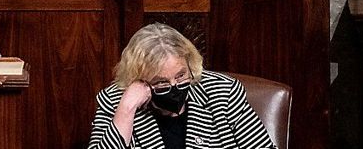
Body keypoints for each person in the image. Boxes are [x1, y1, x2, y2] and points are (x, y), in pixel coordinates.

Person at [89, 23, 275, 149]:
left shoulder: (223, 93)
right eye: (161, 82)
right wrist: (127, 109)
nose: (174, 87)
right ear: (138, 80)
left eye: (181, 76)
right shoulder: (115, 102)